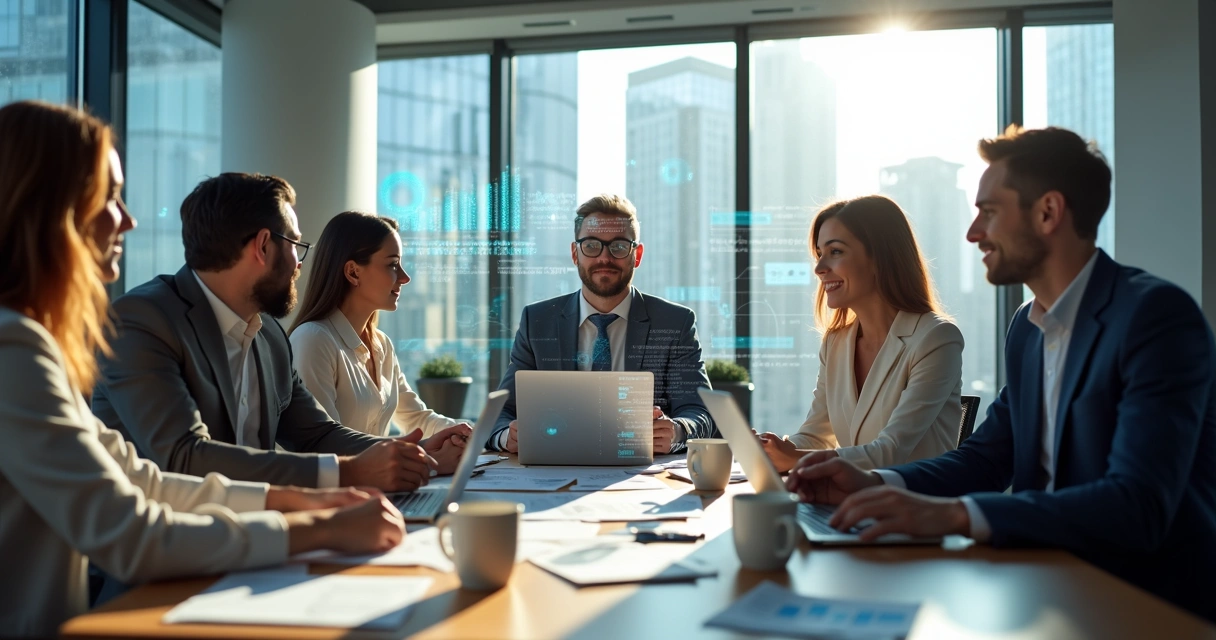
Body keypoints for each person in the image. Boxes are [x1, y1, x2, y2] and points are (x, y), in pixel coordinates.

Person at [0, 101, 406, 637]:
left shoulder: (270, 339)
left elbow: (145, 480)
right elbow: (135, 525)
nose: (129, 219)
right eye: (110, 197)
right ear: (53, 208)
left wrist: (321, 498)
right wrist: (315, 524)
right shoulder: (19, 346)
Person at [786, 126, 1216, 623]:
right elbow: (988, 458)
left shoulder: (1153, 317)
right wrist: (873, 482)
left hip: (1144, 600)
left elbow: (1137, 505)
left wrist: (955, 515)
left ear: (1048, 212)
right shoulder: (1028, 327)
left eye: (988, 213)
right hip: (1044, 577)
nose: (973, 233)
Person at [90, 173, 464, 492]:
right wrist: (349, 472)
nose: (301, 265)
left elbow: (316, 435)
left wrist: (414, 453)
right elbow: (184, 456)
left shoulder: (269, 336)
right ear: (263, 246)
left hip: (253, 542)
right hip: (166, 557)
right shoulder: (142, 321)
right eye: (297, 246)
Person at [489, 194, 714, 455]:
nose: (604, 258)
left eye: (618, 246)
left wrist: (677, 431)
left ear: (637, 254)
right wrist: (508, 436)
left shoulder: (675, 323)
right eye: (592, 245)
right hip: (554, 467)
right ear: (575, 253)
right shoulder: (537, 321)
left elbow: (700, 412)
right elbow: (501, 411)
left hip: (642, 476)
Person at [757, 196, 963, 472]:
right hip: (852, 503)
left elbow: (891, 452)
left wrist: (795, 459)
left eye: (836, 252)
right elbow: (817, 436)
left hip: (916, 507)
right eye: (819, 254)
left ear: (880, 258)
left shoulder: (936, 338)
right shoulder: (836, 343)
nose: (819, 269)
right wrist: (774, 450)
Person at [288, 211, 470, 472]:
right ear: (353, 272)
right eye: (393, 265)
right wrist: (425, 460)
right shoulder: (313, 341)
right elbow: (322, 446)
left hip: (382, 490)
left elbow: (415, 418)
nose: (405, 277)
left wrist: (465, 433)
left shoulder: (381, 344)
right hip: (343, 499)